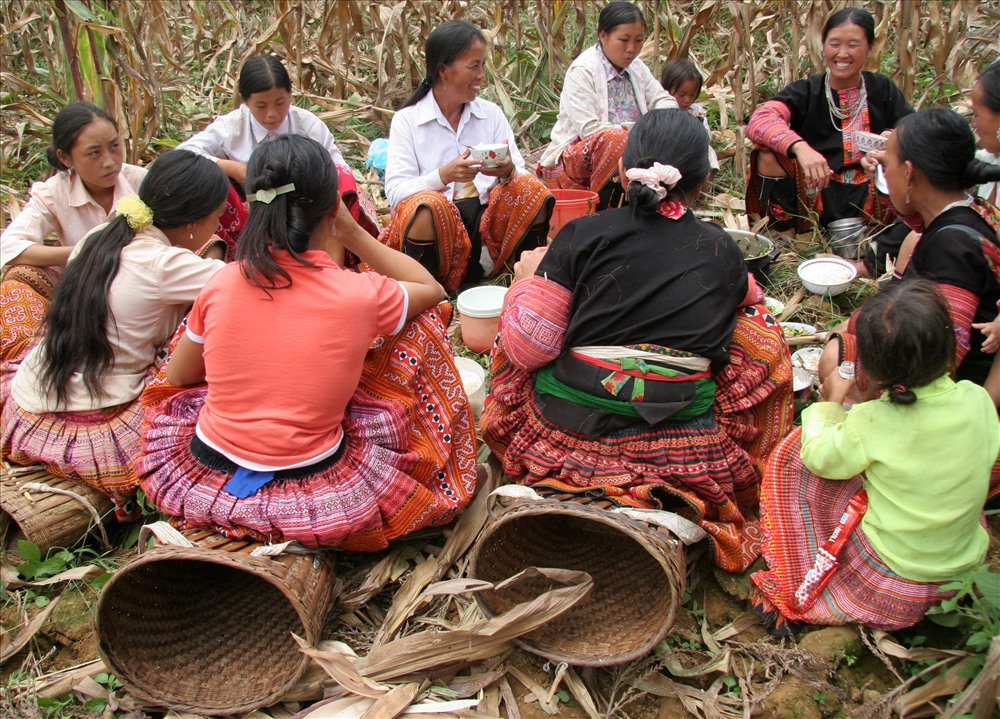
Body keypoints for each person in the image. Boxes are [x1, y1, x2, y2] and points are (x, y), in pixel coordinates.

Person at [482, 109, 794, 573]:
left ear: (624, 168)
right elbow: (750, 299)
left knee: (520, 322)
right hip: (683, 438)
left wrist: (526, 282)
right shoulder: (723, 249)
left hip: (566, 428)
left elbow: (531, 349)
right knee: (758, 328)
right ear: (703, 182)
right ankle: (656, 506)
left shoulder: (584, 233)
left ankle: (564, 489)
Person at [137, 135, 478, 550]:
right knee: (421, 321)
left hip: (205, 463)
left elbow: (180, 375)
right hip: (310, 479)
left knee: (194, 334)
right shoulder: (360, 293)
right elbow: (432, 289)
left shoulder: (220, 281)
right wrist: (352, 233)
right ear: (331, 207)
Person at [752, 280, 998, 634]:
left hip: (898, 575)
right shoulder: (977, 399)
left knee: (797, 451)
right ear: (947, 348)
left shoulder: (873, 420)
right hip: (960, 563)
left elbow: (820, 458)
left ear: (870, 367)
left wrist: (830, 403)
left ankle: (810, 563)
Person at [1, 150, 229, 520]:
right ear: (194, 223)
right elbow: (247, 287)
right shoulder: (165, 264)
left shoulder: (100, 235)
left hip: (31, 400)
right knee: (206, 328)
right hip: (100, 422)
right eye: (217, 216)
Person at [821, 108, 1000, 395]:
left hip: (959, 391)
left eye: (888, 164)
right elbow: (919, 218)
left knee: (838, 354)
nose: (883, 170)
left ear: (908, 173)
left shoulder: (952, 249)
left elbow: (941, 358)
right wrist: (883, 179)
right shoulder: (970, 209)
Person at [380, 20, 553, 292]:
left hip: (487, 225)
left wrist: (507, 171)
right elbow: (395, 192)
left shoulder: (491, 114)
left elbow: (521, 174)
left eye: (483, 65)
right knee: (428, 206)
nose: (482, 75)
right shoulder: (407, 121)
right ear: (444, 71)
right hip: (439, 230)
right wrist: (443, 176)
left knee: (531, 189)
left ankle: (518, 281)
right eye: (474, 66)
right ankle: (431, 288)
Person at [178, 54, 380, 251]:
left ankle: (331, 267)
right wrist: (235, 169)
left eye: (280, 103)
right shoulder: (231, 127)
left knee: (342, 180)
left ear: (290, 96)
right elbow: (183, 155)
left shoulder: (307, 125)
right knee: (213, 183)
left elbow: (337, 165)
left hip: (303, 208)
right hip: (251, 208)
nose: (272, 114)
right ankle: (241, 259)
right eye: (261, 106)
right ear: (246, 102)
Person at [745, 7, 912, 235]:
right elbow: (760, 120)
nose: (842, 53)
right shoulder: (807, 91)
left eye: (853, 45)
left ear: (870, 48)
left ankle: (882, 238)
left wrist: (892, 139)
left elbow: (914, 129)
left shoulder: (882, 88)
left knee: (908, 157)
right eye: (834, 44)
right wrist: (801, 148)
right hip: (816, 190)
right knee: (768, 153)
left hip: (873, 193)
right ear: (823, 46)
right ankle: (786, 237)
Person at [1, 101, 146, 360]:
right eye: (94, 153)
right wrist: (82, 251)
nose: (110, 161)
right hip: (83, 295)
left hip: (142, 293)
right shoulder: (54, 193)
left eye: (115, 146)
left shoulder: (141, 182)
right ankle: (31, 358)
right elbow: (9, 247)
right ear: (65, 158)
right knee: (19, 276)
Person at [537, 1, 677, 207]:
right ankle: (603, 210)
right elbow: (589, 129)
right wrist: (639, 131)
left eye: (639, 40)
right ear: (603, 36)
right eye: (624, 40)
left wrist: (666, 121)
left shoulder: (637, 68)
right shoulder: (583, 71)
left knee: (679, 123)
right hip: (581, 157)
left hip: (635, 145)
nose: (632, 49)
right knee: (616, 139)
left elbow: (663, 99)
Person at [660, 57, 719, 173]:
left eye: (692, 95)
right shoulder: (662, 110)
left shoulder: (697, 111)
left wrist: (698, 126)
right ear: (667, 89)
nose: (687, 100)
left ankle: (704, 186)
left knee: (709, 153)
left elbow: (707, 138)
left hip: (693, 152)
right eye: (682, 94)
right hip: (669, 154)